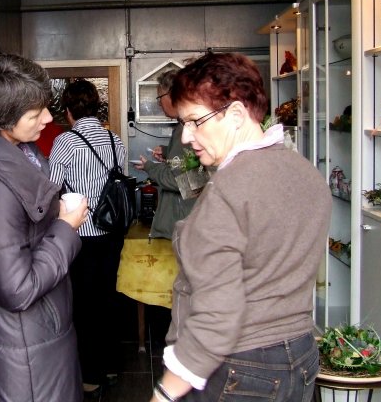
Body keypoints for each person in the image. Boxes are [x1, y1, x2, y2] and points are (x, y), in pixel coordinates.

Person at [151, 52, 332, 402]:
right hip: (300, 357)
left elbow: (217, 316)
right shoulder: (305, 173)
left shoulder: (229, 188)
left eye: (195, 121)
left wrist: (165, 392)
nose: (186, 136)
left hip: (240, 368)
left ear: (235, 114)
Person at [0, 54, 88, 402]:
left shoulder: (20, 151)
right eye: (35, 114)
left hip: (36, 338)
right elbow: (16, 290)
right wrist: (65, 227)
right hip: (23, 353)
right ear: (3, 120)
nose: (48, 118)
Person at [49, 79, 127, 395]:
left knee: (84, 303)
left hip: (81, 233)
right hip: (112, 230)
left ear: (68, 110)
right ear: (97, 107)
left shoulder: (66, 142)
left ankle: (90, 374)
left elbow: (51, 187)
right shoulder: (114, 139)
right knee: (109, 296)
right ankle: (111, 365)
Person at [132, 69, 197, 240]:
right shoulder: (186, 126)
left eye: (160, 97)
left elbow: (178, 182)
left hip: (182, 227)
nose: (159, 104)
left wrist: (150, 167)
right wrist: (168, 151)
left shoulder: (186, 128)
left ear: (173, 94)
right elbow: (195, 174)